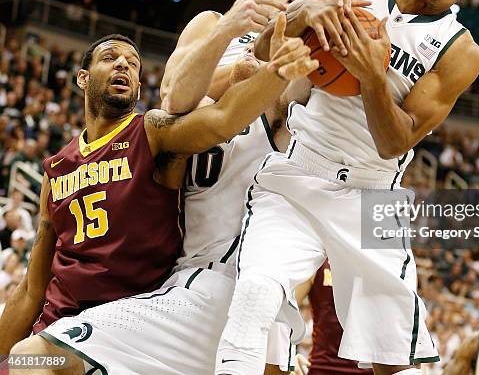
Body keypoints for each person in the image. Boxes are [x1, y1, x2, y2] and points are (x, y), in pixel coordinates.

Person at [216, 0, 479, 375]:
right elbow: (265, 51)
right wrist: (307, 13)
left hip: (373, 196)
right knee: (254, 297)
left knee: (394, 359)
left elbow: (395, 142)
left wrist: (370, 74)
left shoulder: (461, 51)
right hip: (299, 172)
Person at [1, 25, 317, 374]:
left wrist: (279, 69)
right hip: (61, 325)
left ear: (138, 88)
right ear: (82, 78)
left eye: (133, 64)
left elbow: (223, 120)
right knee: (23, 359)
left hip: (131, 325)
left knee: (29, 359)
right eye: (110, 58)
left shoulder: (151, 132)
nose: (123, 64)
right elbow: (31, 291)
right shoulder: (56, 168)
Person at [293, 260, 374, 375]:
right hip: (324, 367)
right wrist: (287, 355)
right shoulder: (318, 262)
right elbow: (283, 311)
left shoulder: (375, 260)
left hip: (371, 368)